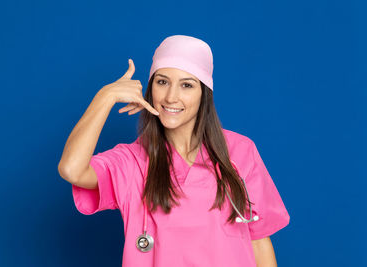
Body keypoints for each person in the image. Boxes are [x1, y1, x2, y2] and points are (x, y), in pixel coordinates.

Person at [58, 35, 290, 267]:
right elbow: (72, 169)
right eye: (162, 82)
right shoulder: (131, 162)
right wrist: (105, 97)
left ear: (204, 94)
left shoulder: (239, 152)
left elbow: (258, 240)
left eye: (187, 85)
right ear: (150, 88)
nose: (171, 97)